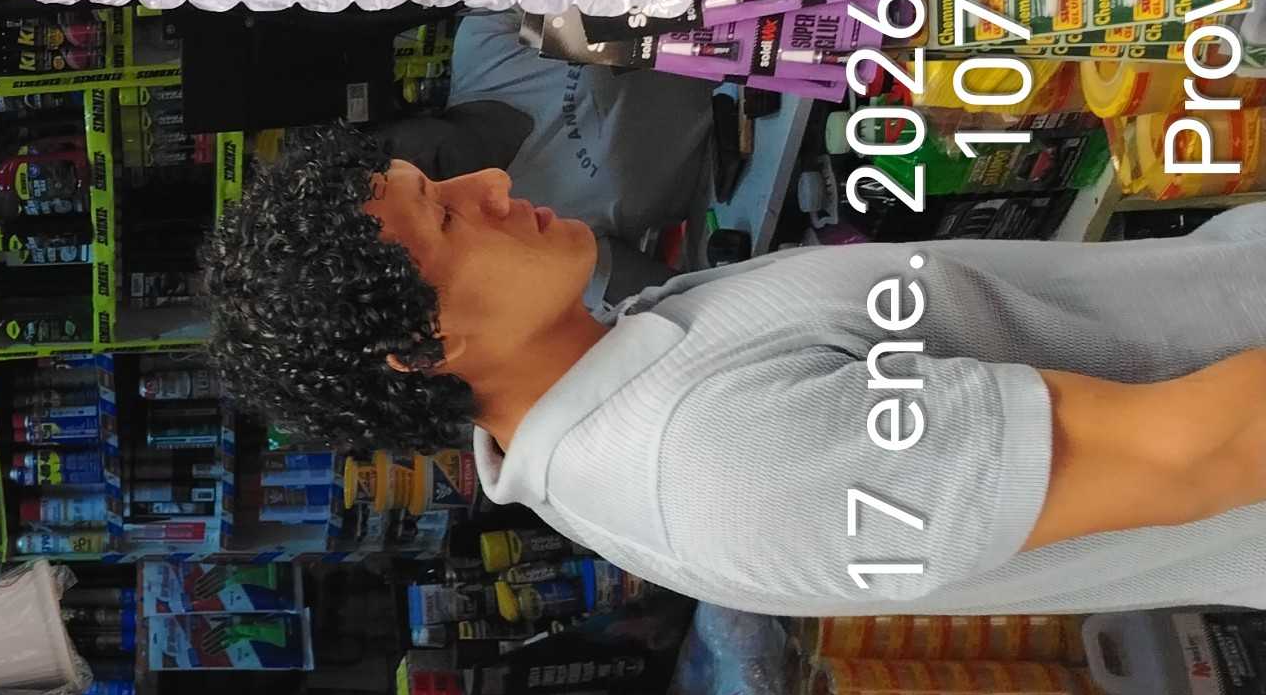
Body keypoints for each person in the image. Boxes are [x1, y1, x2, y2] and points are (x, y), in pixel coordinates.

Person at [200, 124, 1266, 616]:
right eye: (445, 215)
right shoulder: (717, 463)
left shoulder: (626, 358)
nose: (489, 182)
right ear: (423, 347)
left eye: (438, 179)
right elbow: (1197, 455)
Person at [381, 14, 722, 306]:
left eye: (388, 151)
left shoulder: (486, 42)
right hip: (736, 183)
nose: (414, 165)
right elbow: (679, 298)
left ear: (394, 120)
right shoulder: (520, 227)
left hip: (731, 44)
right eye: (411, 196)